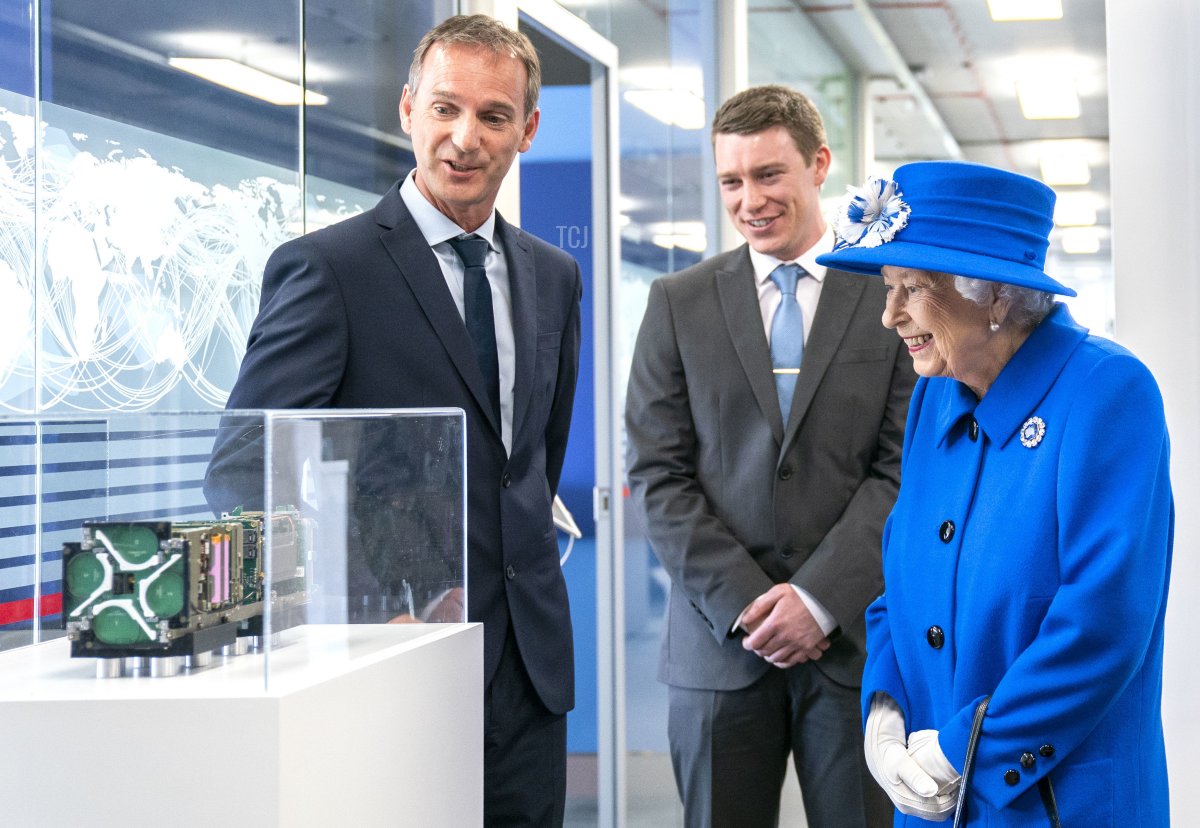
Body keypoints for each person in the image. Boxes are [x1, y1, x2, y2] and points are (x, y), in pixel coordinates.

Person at [204, 14, 581, 826]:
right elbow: (241, 468)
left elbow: (532, 462)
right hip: (390, 655)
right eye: (444, 108)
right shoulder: (329, 269)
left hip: (529, 671)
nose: (464, 138)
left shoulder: (554, 278)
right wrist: (370, 607)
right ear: (407, 110)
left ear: (528, 130)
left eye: (493, 115)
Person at [816, 159, 1173, 826]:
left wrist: (961, 751)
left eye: (913, 288)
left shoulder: (1109, 394)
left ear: (998, 296)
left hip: (1055, 804)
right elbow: (899, 585)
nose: (890, 315)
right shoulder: (932, 398)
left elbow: (1102, 622)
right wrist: (885, 714)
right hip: (930, 803)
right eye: (888, 287)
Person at [625, 84, 914, 828]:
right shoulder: (677, 302)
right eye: (731, 181)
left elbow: (903, 469)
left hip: (852, 645)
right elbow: (659, 474)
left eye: (768, 175)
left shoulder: (890, 294)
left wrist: (817, 600)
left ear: (818, 165)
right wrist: (748, 605)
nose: (749, 199)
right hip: (719, 648)